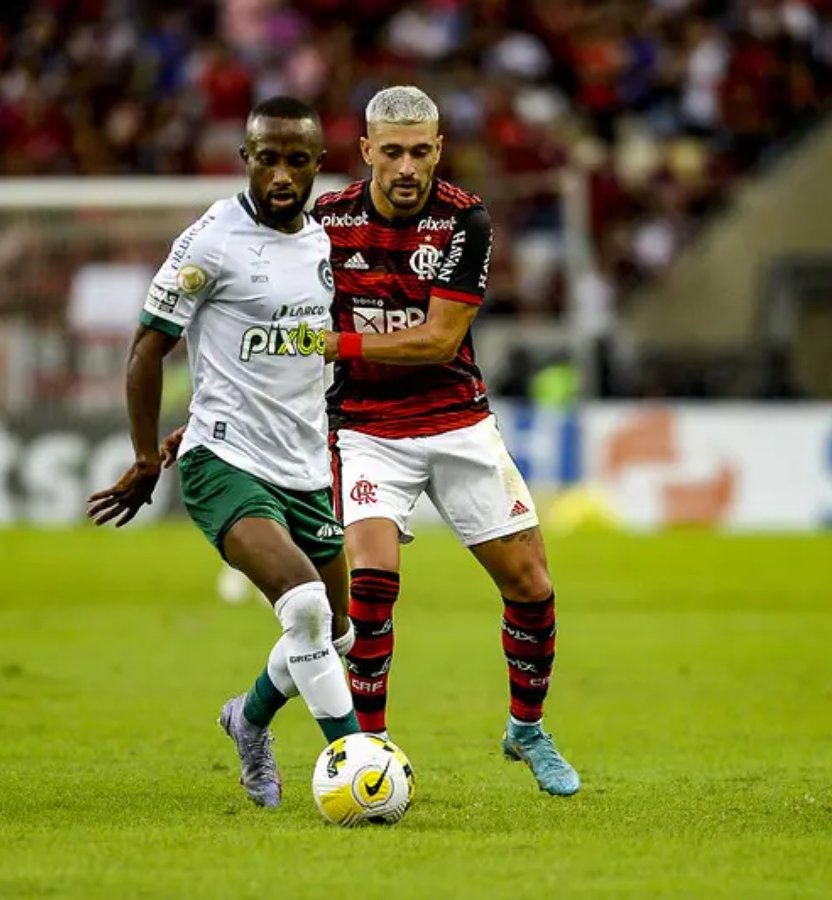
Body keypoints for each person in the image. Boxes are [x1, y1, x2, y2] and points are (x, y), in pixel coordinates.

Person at [87, 96, 359, 810]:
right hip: (225, 464)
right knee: (302, 608)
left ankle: (249, 718)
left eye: (296, 161)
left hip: (305, 466)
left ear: (316, 166)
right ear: (245, 158)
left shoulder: (325, 241)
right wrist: (150, 456)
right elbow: (150, 345)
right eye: (266, 157)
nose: (279, 174)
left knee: (342, 633)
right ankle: (357, 757)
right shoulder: (212, 239)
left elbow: (299, 358)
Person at [314, 85, 580, 796]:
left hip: (457, 419)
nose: (407, 167)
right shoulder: (325, 222)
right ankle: (367, 746)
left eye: (421, 152)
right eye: (392, 151)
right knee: (369, 586)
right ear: (366, 150)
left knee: (531, 586)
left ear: (439, 151)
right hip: (366, 428)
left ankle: (526, 728)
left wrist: (328, 342)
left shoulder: (466, 221)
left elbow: (437, 340)